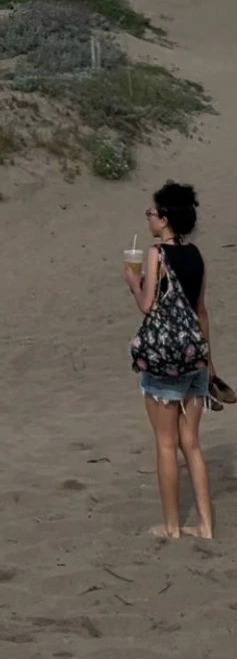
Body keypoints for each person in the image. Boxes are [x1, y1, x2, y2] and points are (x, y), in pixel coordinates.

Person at [125, 182, 214, 540]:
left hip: (166, 360)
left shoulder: (156, 253)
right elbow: (201, 311)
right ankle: (205, 526)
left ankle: (173, 526)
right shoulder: (195, 255)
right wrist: (210, 362)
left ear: (164, 220)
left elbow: (148, 306)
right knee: (190, 443)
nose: (149, 218)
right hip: (195, 357)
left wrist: (133, 282)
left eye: (151, 213)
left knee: (165, 443)